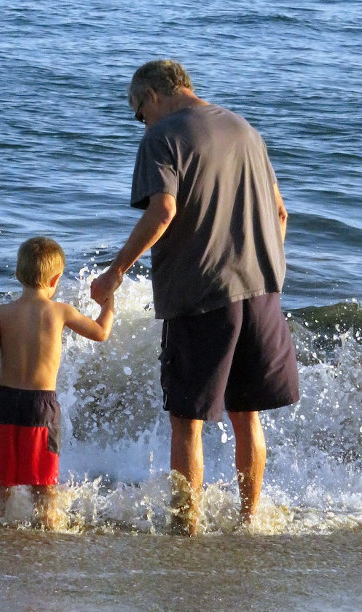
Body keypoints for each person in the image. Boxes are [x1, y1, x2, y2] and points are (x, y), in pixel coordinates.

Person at [91, 59, 299, 533]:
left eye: (137, 111)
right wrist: (257, 262)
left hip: (202, 294)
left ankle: (188, 530)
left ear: (153, 95)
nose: (140, 121)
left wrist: (115, 273)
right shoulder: (245, 130)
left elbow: (162, 211)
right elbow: (281, 215)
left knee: (188, 421)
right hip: (262, 291)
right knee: (246, 417)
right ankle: (250, 521)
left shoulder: (162, 136)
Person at [0, 236, 114, 529]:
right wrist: (109, 302)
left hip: (4, 404)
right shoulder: (60, 311)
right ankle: (46, 534)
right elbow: (100, 332)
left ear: (19, 275)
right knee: (44, 487)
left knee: (0, 485)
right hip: (42, 408)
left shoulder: (2, 313)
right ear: (56, 278)